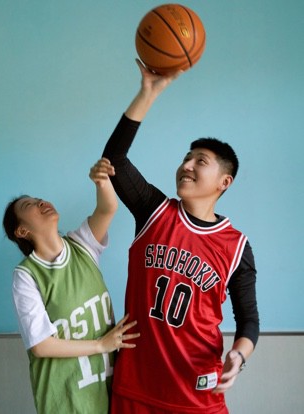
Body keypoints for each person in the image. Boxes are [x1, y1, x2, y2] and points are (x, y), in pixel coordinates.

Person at [102, 60, 259, 414]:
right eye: (186, 158)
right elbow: (115, 159)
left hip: (197, 392)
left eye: (200, 161)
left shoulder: (236, 247)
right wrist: (147, 92)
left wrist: (239, 354)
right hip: (136, 387)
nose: (186, 165)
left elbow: (248, 318)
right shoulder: (153, 210)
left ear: (224, 182)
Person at [2, 157, 140, 414]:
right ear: (21, 231)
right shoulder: (26, 275)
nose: (40, 202)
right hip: (66, 400)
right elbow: (41, 345)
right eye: (29, 204)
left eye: (39, 199)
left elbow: (107, 208)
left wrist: (101, 181)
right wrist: (101, 345)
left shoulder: (82, 245)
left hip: (108, 393)